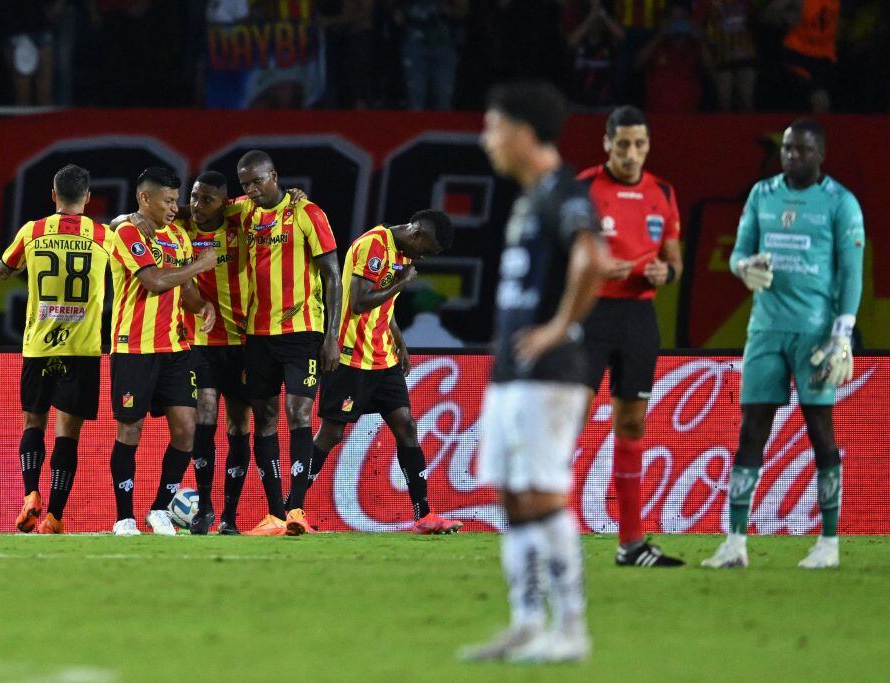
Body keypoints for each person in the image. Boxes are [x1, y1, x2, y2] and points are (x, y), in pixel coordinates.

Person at [461, 81, 608, 664]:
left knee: (542, 493)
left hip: (549, 372)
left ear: (523, 133)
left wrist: (558, 326)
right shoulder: (529, 198)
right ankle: (526, 623)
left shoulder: (563, 193)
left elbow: (592, 258)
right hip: (513, 372)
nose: (486, 139)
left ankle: (571, 628)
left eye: (493, 127)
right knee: (515, 496)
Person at [703, 119, 864, 569]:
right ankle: (735, 542)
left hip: (815, 334)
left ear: (821, 155)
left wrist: (842, 333)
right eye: (788, 148)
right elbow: (739, 252)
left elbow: (852, 271)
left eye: (803, 149)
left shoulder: (840, 202)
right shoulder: (762, 194)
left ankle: (828, 543)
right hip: (765, 330)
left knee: (820, 430)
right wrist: (742, 267)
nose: (793, 156)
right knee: (751, 429)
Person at [286, 210, 463, 535]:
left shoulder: (402, 253)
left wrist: (399, 342)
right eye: (427, 250)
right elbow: (358, 302)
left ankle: (424, 514)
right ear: (417, 233)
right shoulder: (374, 245)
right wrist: (401, 283)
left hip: (382, 358)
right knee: (331, 434)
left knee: (406, 426)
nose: (423, 257)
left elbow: (385, 307)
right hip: (351, 355)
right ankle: (292, 508)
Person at [576, 106, 685, 567]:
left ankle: (632, 543)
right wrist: (595, 266)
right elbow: (562, 252)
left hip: (639, 317)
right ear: (607, 143)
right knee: (571, 423)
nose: (631, 153)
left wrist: (666, 273)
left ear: (648, 145)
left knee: (633, 425)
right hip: (590, 314)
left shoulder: (663, 192)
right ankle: (547, 535)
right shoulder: (583, 188)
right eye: (622, 144)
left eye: (639, 144)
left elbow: (675, 260)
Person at [0, 164, 111, 534]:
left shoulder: (32, 231)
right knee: (68, 434)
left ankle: (30, 493)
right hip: (82, 347)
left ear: (53, 195)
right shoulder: (103, 235)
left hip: (39, 345)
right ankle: (54, 518)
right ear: (88, 197)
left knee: (34, 422)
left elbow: (2, 270)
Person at [235, 150, 342, 536]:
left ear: (274, 176)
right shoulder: (242, 211)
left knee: (299, 414)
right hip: (257, 334)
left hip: (302, 332)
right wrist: (138, 216)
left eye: (257, 180)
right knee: (264, 418)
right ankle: (275, 515)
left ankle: (297, 508)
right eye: (245, 183)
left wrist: (332, 335)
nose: (252, 189)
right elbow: (202, 207)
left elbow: (333, 276)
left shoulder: (307, 213)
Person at [107, 167, 218, 536]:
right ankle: (124, 517)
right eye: (168, 200)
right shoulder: (128, 232)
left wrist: (202, 305)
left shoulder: (179, 237)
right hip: (133, 347)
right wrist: (200, 264)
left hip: (175, 347)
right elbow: (154, 282)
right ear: (145, 198)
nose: (174, 207)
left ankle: (158, 510)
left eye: (176, 200)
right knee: (130, 429)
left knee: (186, 429)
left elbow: (185, 292)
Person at [176, 172, 254, 535]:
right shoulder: (182, 227)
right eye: (194, 196)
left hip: (242, 343)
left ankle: (230, 516)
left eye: (207, 199)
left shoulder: (241, 223)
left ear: (224, 203)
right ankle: (204, 507)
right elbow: (121, 221)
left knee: (239, 424)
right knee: (204, 417)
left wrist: (296, 195)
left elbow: (270, 203)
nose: (198, 205)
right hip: (202, 343)